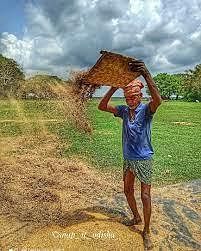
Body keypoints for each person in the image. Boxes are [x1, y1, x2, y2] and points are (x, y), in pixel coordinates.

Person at [98, 59, 162, 249]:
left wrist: (146, 74)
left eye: (133, 98)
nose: (130, 101)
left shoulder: (146, 110)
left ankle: (147, 231)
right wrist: (113, 88)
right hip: (128, 158)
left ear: (140, 96)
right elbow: (101, 106)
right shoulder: (124, 111)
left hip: (144, 159)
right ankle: (136, 216)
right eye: (127, 98)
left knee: (145, 195)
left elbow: (158, 100)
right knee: (127, 190)